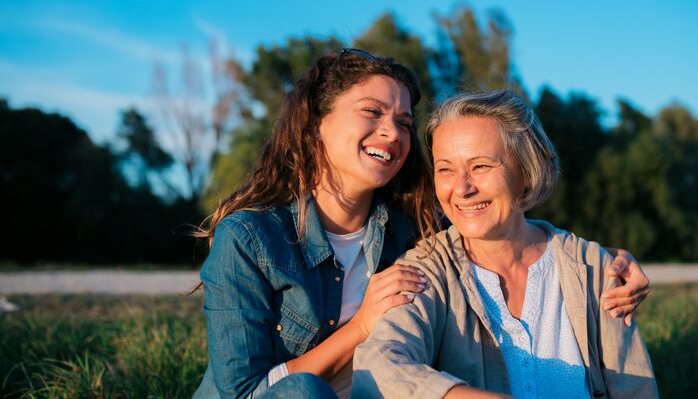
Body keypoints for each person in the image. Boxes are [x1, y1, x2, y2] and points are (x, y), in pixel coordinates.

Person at [193, 50, 650, 399]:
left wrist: (601, 258)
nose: (393, 133)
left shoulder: (413, 232)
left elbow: (499, 223)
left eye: (405, 122)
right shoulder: (250, 239)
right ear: (316, 126)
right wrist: (361, 326)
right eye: (372, 113)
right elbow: (248, 394)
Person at [352, 90, 659, 399]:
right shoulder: (426, 270)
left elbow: (636, 389)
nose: (461, 188)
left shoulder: (593, 269)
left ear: (526, 170)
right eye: (445, 169)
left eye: (481, 166)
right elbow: (379, 365)